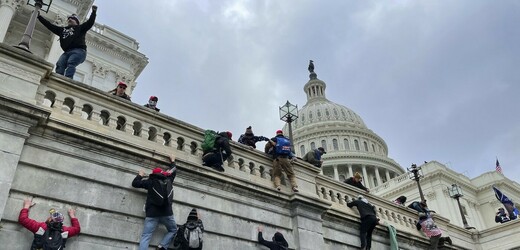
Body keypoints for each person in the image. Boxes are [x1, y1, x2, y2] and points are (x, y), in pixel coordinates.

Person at [132, 154, 178, 250]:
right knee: (173, 230)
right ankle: (162, 246)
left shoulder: (150, 182)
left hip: (152, 214)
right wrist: (172, 160)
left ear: (153, 174)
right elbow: (174, 171)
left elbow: (135, 183)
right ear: (162, 173)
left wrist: (140, 175)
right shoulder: (168, 179)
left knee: (146, 236)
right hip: (166, 213)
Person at [37, 5, 97, 79]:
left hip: (79, 51)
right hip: (67, 52)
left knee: (71, 62)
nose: (70, 20)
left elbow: (90, 23)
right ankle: (59, 79)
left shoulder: (80, 28)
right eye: (69, 19)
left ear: (77, 22)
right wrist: (39, 17)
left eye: (72, 19)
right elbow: (50, 26)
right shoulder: (62, 30)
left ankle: (68, 79)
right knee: (60, 64)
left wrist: (93, 12)